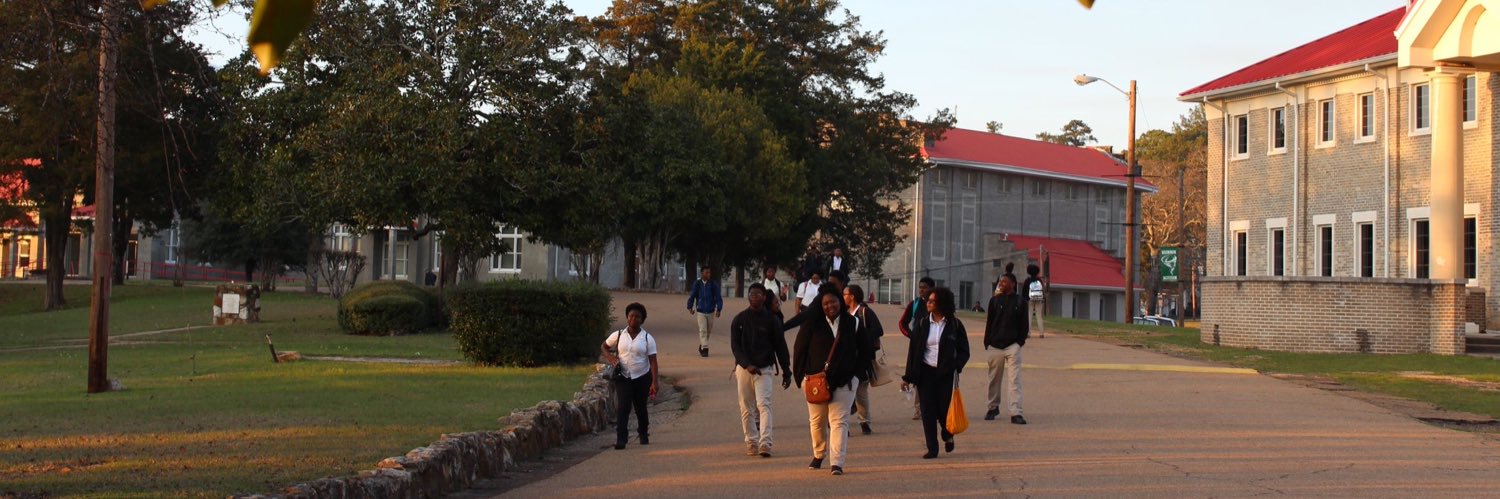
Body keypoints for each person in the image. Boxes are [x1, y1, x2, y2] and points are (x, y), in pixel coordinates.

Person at [792, 290, 873, 476]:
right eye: (826, 303)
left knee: (839, 422)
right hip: (815, 381)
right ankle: (819, 454)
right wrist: (801, 378)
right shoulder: (812, 324)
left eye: (834, 302)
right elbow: (799, 350)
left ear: (840, 302)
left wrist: (856, 376)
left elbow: (865, 351)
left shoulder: (853, 323)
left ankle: (837, 462)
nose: (830, 306)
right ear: (821, 306)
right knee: (817, 421)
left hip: (845, 382)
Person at [900, 287, 971, 459]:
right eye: (928, 301)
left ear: (942, 303)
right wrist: (908, 377)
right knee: (927, 411)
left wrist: (956, 366)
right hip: (925, 373)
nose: (928, 303)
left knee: (944, 410)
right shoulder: (923, 323)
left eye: (932, 301)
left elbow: (964, 351)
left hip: (946, 374)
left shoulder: (955, 325)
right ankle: (932, 448)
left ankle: (948, 435)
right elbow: (914, 352)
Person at [730, 283, 793, 457]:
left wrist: (787, 370)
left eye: (758, 294)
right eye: (752, 294)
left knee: (763, 405)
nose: (755, 296)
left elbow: (780, 346)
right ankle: (751, 441)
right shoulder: (739, 319)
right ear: (748, 296)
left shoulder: (772, 320)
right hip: (744, 370)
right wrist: (745, 364)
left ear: (764, 297)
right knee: (746, 407)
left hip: (764, 369)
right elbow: (735, 345)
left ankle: (765, 443)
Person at [601, 303, 659, 450]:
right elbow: (604, 347)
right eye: (631, 316)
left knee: (641, 408)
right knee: (623, 408)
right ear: (627, 318)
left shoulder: (647, 338)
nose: (634, 319)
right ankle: (621, 439)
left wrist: (654, 382)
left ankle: (643, 433)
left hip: (641, 377)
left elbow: (653, 361)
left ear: (642, 320)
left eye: (638, 316)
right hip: (623, 377)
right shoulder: (619, 335)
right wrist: (611, 358)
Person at [984, 264, 1029, 425]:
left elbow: (1025, 325)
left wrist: (1019, 343)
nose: (1000, 284)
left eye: (1003, 282)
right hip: (995, 345)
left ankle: (1016, 412)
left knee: (1014, 380)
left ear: (1012, 284)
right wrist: (987, 342)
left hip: (1013, 346)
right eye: (999, 282)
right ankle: (993, 407)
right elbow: (989, 323)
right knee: (994, 379)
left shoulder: (1021, 302)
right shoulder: (994, 301)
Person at [844, 284, 883, 436]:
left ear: (852, 296)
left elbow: (879, 330)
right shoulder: (845, 312)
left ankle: (864, 422)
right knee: (845, 393)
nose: (843, 296)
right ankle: (844, 426)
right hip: (847, 359)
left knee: (861, 392)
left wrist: (860, 334)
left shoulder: (864, 312)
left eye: (845, 294)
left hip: (863, 359)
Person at [897, 277, 936, 420]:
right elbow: (902, 323)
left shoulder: (939, 304)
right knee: (919, 378)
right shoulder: (915, 304)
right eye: (920, 287)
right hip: (918, 349)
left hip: (936, 347)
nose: (921, 290)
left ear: (932, 288)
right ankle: (919, 409)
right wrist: (913, 337)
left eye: (925, 287)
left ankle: (935, 408)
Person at [687, 266, 724, 357]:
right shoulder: (697, 284)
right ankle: (705, 348)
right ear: (702, 273)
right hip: (701, 311)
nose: (708, 274)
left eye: (709, 273)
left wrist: (718, 309)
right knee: (703, 330)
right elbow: (692, 296)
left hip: (711, 311)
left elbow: (718, 297)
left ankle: (702, 345)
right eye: (706, 272)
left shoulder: (713, 284)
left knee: (708, 331)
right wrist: (690, 307)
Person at [1023, 264, 1045, 339]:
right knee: (1039, 316)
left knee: (1029, 316)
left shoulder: (1027, 280)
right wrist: (1043, 298)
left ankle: (1028, 333)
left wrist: (1024, 299)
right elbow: (1042, 290)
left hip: (1029, 300)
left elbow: (1024, 291)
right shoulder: (1039, 280)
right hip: (1039, 299)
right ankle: (1041, 333)